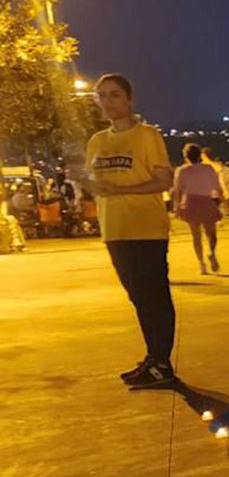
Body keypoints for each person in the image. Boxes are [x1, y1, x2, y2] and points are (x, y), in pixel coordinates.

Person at [81, 73, 177, 388]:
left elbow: (164, 181)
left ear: (129, 99)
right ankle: (153, 356)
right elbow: (95, 183)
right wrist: (91, 186)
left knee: (154, 294)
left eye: (115, 95)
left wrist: (121, 191)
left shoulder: (147, 136)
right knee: (137, 296)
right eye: (102, 95)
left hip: (146, 227)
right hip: (114, 229)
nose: (108, 102)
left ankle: (161, 361)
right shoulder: (97, 141)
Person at [172, 143, 223, 274]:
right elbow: (217, 187)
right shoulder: (208, 168)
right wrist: (221, 200)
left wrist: (177, 206)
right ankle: (211, 252)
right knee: (211, 233)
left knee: (196, 235)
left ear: (186, 156)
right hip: (206, 200)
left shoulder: (182, 170)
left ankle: (202, 264)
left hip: (190, 202)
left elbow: (178, 191)